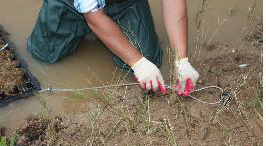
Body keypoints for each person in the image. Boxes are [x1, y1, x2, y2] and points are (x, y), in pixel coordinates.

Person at [27, 0, 199, 96]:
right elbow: (93, 16)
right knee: (45, 54)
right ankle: (96, 32)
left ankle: (107, 34)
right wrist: (137, 63)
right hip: (70, 3)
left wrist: (181, 60)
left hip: (124, 2)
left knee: (148, 59)